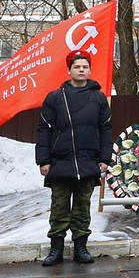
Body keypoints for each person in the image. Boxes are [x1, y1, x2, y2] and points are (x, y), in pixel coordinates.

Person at [35, 50, 113, 266]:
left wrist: (105, 158)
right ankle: (56, 249)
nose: (81, 70)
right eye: (77, 67)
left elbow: (105, 130)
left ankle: (81, 247)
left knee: (82, 206)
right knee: (59, 206)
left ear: (89, 70)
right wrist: (44, 160)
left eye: (85, 67)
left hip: (88, 162)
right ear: (69, 70)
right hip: (60, 162)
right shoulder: (55, 97)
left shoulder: (98, 98)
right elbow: (44, 130)